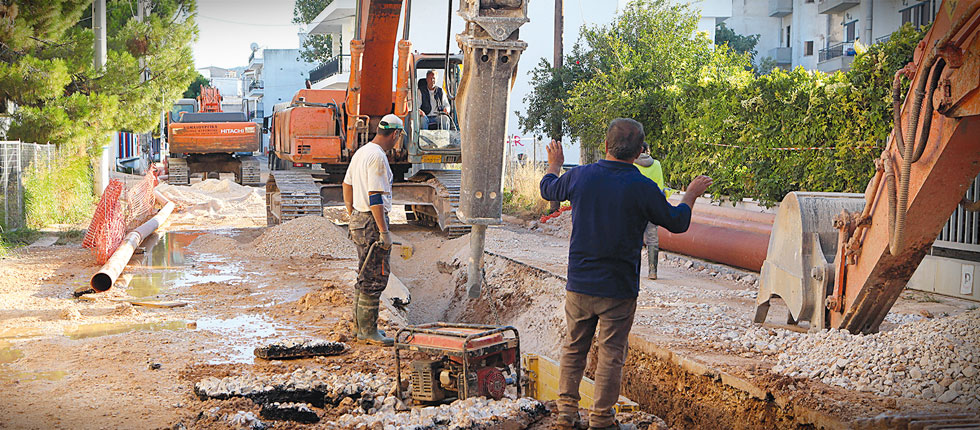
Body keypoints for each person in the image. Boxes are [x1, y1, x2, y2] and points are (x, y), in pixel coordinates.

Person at [540, 119, 712, 430]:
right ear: (639, 152)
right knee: (611, 354)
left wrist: (555, 164)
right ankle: (602, 420)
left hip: (580, 285)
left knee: (574, 347)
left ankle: (565, 415)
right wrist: (690, 195)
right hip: (618, 289)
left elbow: (548, 189)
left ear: (605, 146)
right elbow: (677, 222)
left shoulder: (581, 177)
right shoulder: (643, 188)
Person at [342, 114, 404, 346]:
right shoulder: (377, 157)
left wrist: (353, 214)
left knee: (363, 274)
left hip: (360, 218)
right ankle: (368, 331)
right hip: (370, 220)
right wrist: (383, 230)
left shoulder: (362, 152)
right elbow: (375, 196)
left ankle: (360, 328)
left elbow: (346, 185)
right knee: (375, 277)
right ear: (396, 134)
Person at [633, 142, 674, 280]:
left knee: (634, 239)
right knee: (652, 239)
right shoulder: (656, 164)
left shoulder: (631, 164)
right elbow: (660, 187)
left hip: (634, 207)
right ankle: (653, 271)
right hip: (651, 207)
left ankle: (634, 271)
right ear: (646, 150)